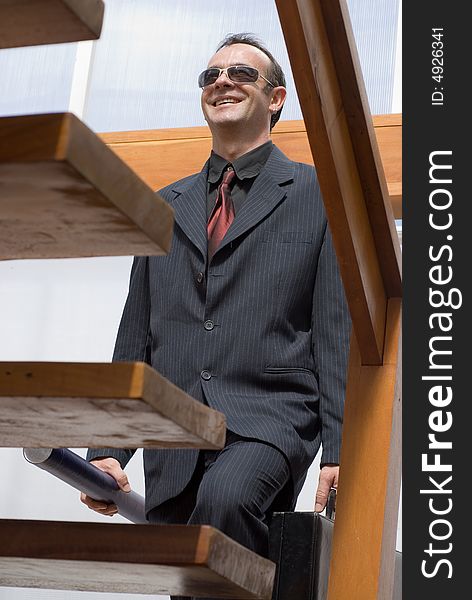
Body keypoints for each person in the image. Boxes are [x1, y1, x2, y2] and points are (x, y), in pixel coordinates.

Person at [82, 32, 351, 598]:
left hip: (268, 418)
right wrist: (108, 449)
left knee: (226, 501)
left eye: (240, 74)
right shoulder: (163, 204)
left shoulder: (318, 196)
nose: (222, 81)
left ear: (275, 98)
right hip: (175, 432)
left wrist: (339, 450)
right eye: (210, 76)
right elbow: (136, 335)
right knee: (186, 563)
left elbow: (333, 333)